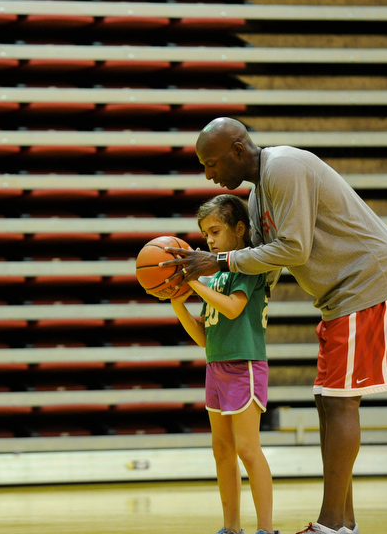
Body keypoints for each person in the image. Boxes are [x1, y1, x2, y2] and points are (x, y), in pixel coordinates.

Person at [164, 117, 387, 534]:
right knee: (328, 400)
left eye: (210, 163)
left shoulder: (283, 167)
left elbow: (293, 249)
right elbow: (268, 259)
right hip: (342, 294)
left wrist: (219, 262)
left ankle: (332, 526)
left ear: (238, 151)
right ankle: (344, 523)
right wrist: (208, 283)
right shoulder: (260, 192)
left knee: (339, 401)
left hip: (370, 280)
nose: (208, 175)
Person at [168, 193, 277, 534]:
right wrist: (177, 305)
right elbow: (204, 336)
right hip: (216, 366)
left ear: (241, 229)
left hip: (244, 364)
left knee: (247, 447)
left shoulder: (247, 266)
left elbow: (232, 308)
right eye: (206, 235)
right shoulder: (213, 276)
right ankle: (231, 528)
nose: (209, 241)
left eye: (215, 231)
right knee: (222, 449)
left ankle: (266, 528)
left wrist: (194, 283)